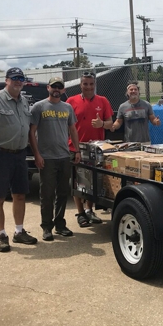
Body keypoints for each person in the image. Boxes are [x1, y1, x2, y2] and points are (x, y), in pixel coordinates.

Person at [0, 67, 38, 252]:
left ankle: (19, 232)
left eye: (21, 78)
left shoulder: (24, 101)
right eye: (15, 78)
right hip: (0, 155)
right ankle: (1, 235)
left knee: (19, 195)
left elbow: (27, 129)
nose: (18, 81)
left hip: (19, 155)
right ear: (7, 80)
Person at [29, 77, 81, 241]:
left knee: (63, 192)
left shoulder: (67, 107)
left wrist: (77, 151)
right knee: (47, 194)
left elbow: (73, 129)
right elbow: (32, 132)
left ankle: (60, 224)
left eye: (60, 86)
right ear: (48, 88)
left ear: (64, 90)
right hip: (47, 158)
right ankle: (46, 227)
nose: (56, 89)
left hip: (64, 156)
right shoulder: (39, 107)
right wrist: (36, 154)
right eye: (54, 86)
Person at [66, 71, 113, 227]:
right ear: (80, 85)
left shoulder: (103, 101)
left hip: (96, 148)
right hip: (76, 147)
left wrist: (102, 125)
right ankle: (80, 213)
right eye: (85, 84)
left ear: (95, 84)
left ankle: (89, 210)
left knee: (93, 181)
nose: (88, 87)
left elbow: (111, 124)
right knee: (77, 181)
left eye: (91, 84)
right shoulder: (71, 101)